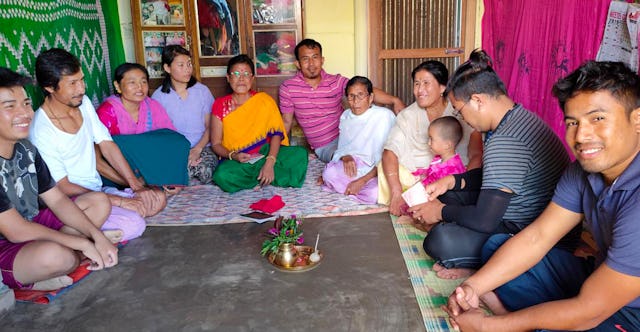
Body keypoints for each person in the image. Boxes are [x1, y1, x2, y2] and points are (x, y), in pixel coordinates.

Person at [445, 61, 640, 332]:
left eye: (598, 118)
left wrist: (491, 326)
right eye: (573, 122)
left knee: (572, 319)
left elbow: (589, 311)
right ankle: (532, 318)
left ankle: (526, 320)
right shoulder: (582, 171)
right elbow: (538, 236)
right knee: (497, 249)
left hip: (631, 313)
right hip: (599, 278)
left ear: (637, 120)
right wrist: (473, 286)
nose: (581, 135)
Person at [409, 50, 572, 279]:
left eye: (460, 110)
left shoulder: (505, 141)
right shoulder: (516, 117)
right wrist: (452, 181)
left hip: (529, 232)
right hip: (517, 213)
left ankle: (484, 266)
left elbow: (485, 219)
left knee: (440, 240)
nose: (462, 118)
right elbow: (494, 179)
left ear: (477, 100)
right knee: (449, 195)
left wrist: (440, 212)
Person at [0, 67, 118, 291]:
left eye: (26, 104)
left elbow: (57, 200)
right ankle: (55, 265)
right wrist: (82, 241)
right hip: (7, 241)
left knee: (99, 201)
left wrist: (96, 236)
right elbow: (15, 230)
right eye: (10, 107)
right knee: (57, 258)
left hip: (31, 224)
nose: (24, 113)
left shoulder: (26, 150)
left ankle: (72, 254)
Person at [30, 48, 165, 224]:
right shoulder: (41, 130)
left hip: (97, 190)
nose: (81, 88)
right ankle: (83, 234)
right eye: (72, 83)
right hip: (73, 200)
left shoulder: (83, 103)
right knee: (133, 222)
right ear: (49, 87)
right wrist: (119, 201)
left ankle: (100, 231)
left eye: (82, 80)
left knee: (157, 199)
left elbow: (107, 145)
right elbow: (62, 187)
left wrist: (136, 186)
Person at [379, 60, 483, 216]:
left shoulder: (459, 110)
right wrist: (396, 191)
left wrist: (466, 183)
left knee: (453, 196)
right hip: (417, 178)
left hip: (453, 177)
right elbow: (390, 152)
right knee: (384, 170)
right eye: (416, 84)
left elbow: (476, 154)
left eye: (426, 83)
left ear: (442, 87)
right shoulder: (407, 116)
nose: (420, 90)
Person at [279, 38, 405, 163]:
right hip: (326, 146)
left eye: (315, 57)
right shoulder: (288, 88)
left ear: (322, 60)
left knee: (382, 117)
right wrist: (279, 151)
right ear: (298, 63)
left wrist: (394, 100)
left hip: (349, 135)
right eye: (305, 59)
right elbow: (286, 122)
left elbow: (362, 90)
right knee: (347, 162)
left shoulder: (336, 81)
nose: (311, 64)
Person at [211, 54, 308, 193]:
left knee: (299, 155)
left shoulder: (264, 101)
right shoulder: (220, 105)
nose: (241, 79)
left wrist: (269, 162)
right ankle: (265, 178)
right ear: (228, 78)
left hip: (265, 153)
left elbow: (276, 134)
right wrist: (234, 155)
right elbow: (216, 144)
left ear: (252, 78)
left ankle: (263, 174)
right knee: (222, 175)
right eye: (236, 73)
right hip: (239, 159)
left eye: (246, 74)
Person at [96, 62, 190, 190]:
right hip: (118, 169)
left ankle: (160, 180)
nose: (139, 87)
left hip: (145, 164)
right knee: (118, 142)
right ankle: (151, 181)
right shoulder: (108, 111)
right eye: (132, 82)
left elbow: (169, 138)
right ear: (117, 86)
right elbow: (97, 158)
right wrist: (131, 182)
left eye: (143, 82)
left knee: (179, 141)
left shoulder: (152, 105)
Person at [320, 76, 396, 204]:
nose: (355, 101)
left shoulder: (385, 116)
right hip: (355, 167)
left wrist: (362, 180)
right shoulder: (345, 116)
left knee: (375, 193)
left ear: (370, 97)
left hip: (377, 170)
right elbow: (343, 147)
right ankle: (355, 191)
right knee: (329, 173)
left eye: (360, 95)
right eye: (351, 96)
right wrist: (346, 156)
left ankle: (351, 188)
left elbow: (389, 155)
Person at [152, 45, 217, 185]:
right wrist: (182, 153)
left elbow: (211, 126)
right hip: (175, 149)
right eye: (181, 65)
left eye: (189, 64)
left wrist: (197, 149)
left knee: (205, 171)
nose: (188, 69)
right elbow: (160, 133)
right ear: (167, 68)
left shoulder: (202, 91)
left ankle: (184, 172)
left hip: (203, 147)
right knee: (168, 170)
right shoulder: (158, 97)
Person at [411, 116, 466, 187]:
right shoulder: (439, 158)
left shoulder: (453, 171)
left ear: (447, 145)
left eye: (431, 139)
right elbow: (429, 174)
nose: (428, 143)